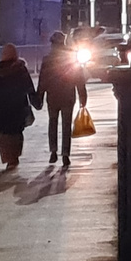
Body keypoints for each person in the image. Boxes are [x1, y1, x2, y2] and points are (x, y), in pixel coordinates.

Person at [36, 32, 89, 167]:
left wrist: (39, 97)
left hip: (53, 97)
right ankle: (65, 154)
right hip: (67, 96)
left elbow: (43, 80)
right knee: (66, 125)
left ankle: (53, 151)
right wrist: (83, 95)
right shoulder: (71, 59)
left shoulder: (47, 60)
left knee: (52, 123)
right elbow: (79, 79)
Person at [0, 43, 38, 169]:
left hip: (0, 109)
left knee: (4, 133)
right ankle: (14, 157)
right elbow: (28, 87)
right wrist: (35, 101)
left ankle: (8, 158)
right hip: (18, 107)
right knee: (16, 133)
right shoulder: (20, 69)